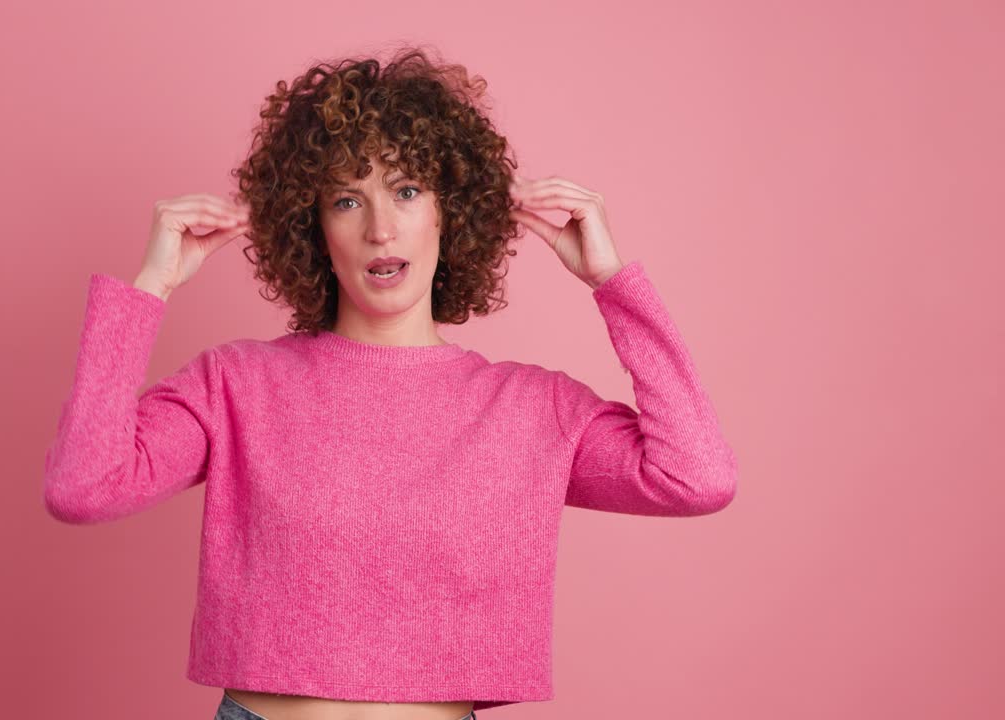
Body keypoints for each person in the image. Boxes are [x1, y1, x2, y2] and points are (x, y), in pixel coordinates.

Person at [43, 46, 737, 720]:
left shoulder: (531, 408)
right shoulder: (236, 383)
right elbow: (84, 486)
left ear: (450, 212)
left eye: (406, 191)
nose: (380, 228)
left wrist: (612, 285)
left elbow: (696, 477)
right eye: (347, 200)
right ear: (312, 227)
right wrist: (149, 289)